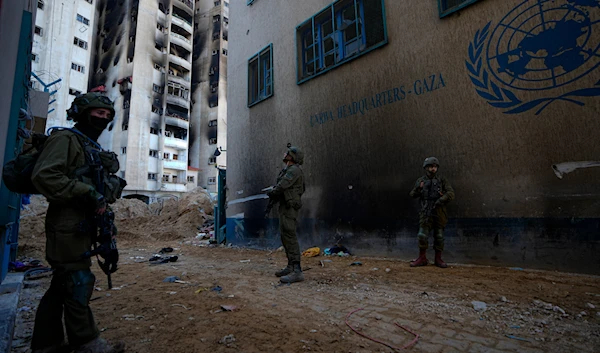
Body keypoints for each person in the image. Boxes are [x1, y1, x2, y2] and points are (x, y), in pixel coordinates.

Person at [30, 92, 125, 353]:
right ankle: (87, 343)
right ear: (82, 113)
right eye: (97, 113)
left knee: (63, 284)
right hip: (67, 223)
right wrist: (87, 193)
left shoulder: (90, 147)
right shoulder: (65, 139)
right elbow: (45, 176)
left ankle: (46, 343)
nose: (102, 119)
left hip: (85, 222)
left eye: (107, 116)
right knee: (78, 280)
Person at [267, 145, 306, 283]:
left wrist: (273, 192)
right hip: (285, 206)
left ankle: (297, 270)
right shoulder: (289, 169)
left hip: (290, 208)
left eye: (288, 153)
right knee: (285, 236)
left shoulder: (294, 170)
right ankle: (291, 266)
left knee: (289, 235)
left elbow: (283, 185)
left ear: (293, 156)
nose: (285, 154)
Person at [409, 157, 455, 268]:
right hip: (426, 211)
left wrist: (441, 199)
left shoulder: (442, 180)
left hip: (439, 211)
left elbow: (451, 193)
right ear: (426, 168)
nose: (432, 169)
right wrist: (419, 189)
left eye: (434, 167)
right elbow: (412, 195)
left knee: (439, 236)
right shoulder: (421, 181)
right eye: (430, 167)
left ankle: (438, 259)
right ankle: (422, 258)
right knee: (422, 235)